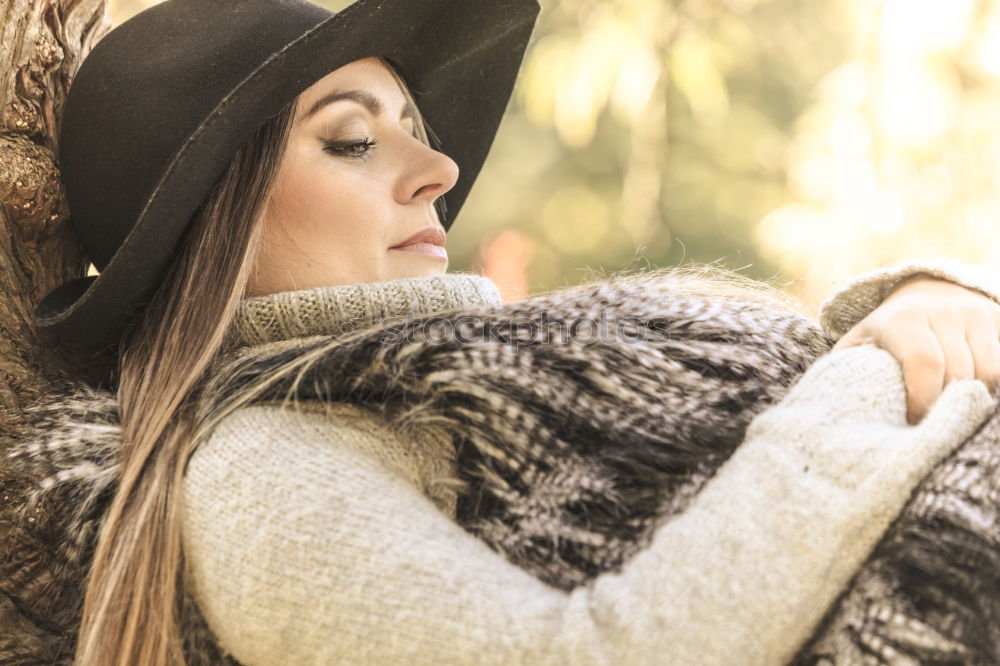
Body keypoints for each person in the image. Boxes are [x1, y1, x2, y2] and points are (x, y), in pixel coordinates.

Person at [22, 0, 1000, 664]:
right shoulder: (263, 468)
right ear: (213, 224)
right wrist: (870, 378)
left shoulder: (468, 388)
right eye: (353, 139)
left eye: (417, 126)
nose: (437, 169)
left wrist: (918, 303)